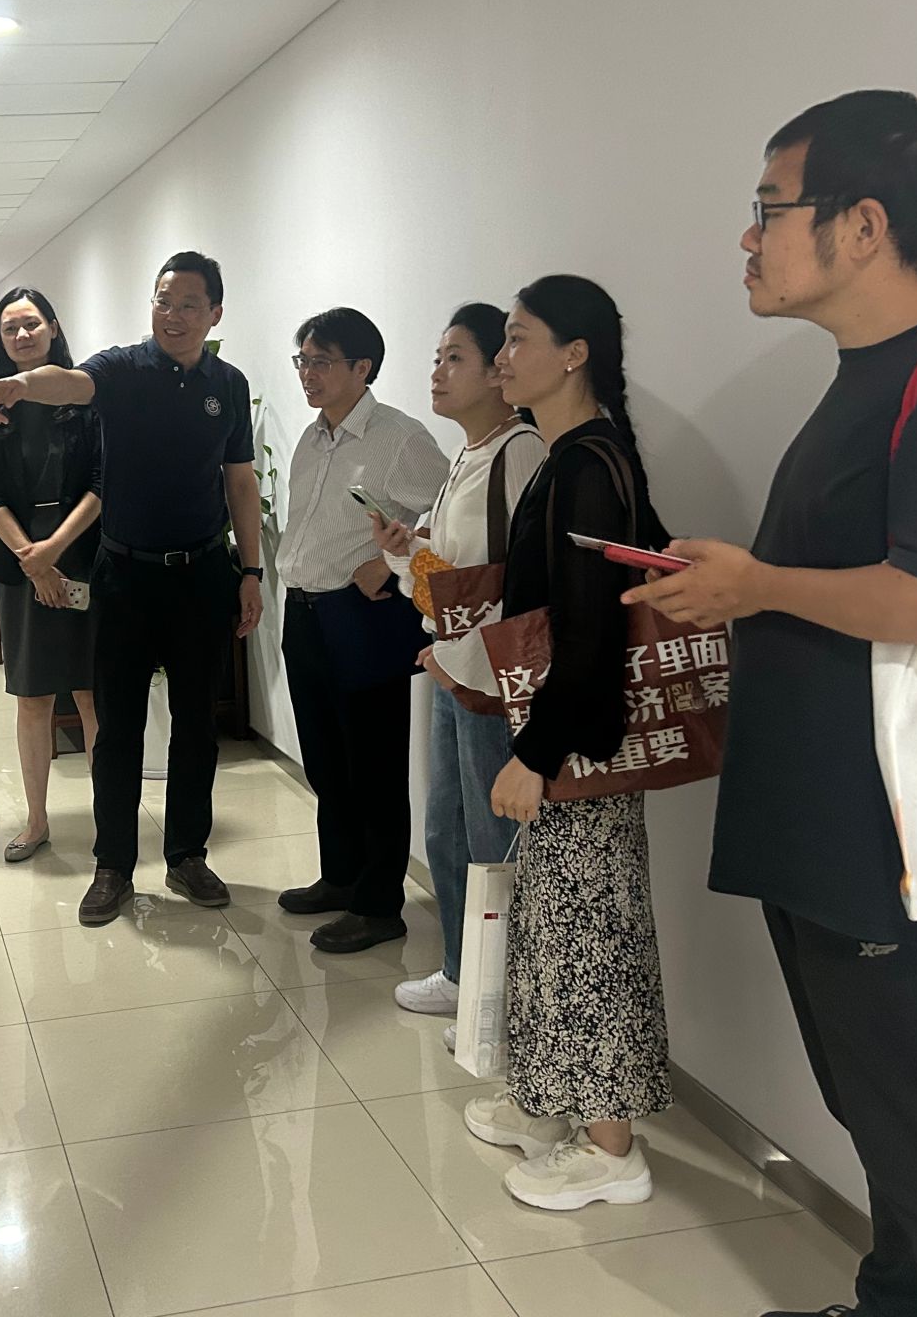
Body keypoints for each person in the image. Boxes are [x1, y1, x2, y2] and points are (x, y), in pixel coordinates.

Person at [629, 91, 917, 1317]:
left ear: (861, 225)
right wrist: (733, 588)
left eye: (768, 208)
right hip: (830, 839)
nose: (746, 238)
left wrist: (756, 583)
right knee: (881, 1125)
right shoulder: (866, 378)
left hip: (901, 852)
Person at [465, 275, 674, 1213]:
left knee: (592, 936)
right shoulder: (572, 458)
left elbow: (591, 633)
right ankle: (551, 1104)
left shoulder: (589, 463)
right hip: (567, 735)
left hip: (579, 745)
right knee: (555, 928)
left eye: (518, 339)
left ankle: (613, 1150)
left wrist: (536, 754)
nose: (503, 358)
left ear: (575, 353)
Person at [0, 251, 262, 928]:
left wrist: (251, 571)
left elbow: (240, 480)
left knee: (196, 725)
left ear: (215, 313)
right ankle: (113, 866)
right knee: (117, 727)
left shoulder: (229, 383)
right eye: (163, 300)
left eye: (188, 304)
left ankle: (187, 855)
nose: (172, 315)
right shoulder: (123, 368)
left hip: (201, 574)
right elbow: (70, 382)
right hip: (125, 576)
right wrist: (21, 384)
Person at [373, 306, 545, 1026]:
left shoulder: (521, 452)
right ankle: (461, 973)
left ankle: (504, 1002)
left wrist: (459, 661)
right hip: (454, 671)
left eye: (455, 358)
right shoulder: (467, 457)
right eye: (437, 358)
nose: (437, 373)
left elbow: (518, 587)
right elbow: (452, 579)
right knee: (446, 831)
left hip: (490, 683)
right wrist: (404, 552)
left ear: (498, 371)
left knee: (491, 842)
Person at [272, 308, 450, 953]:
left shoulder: (398, 438)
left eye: (320, 362)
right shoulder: (312, 438)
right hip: (304, 612)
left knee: (373, 763)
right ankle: (341, 877)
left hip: (362, 614)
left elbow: (449, 511)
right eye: (302, 361)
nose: (307, 374)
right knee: (325, 758)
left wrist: (387, 562)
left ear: (361, 368)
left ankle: (379, 906)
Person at [0, 288, 104, 863]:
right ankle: (36, 821)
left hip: (84, 556)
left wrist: (55, 550)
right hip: (22, 564)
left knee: (92, 694)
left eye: (31, 324)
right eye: (10, 329)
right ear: (0, 341)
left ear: (52, 326)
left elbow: (102, 483)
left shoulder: (85, 396)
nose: (22, 335)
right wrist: (34, 558)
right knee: (33, 698)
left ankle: (109, 818)